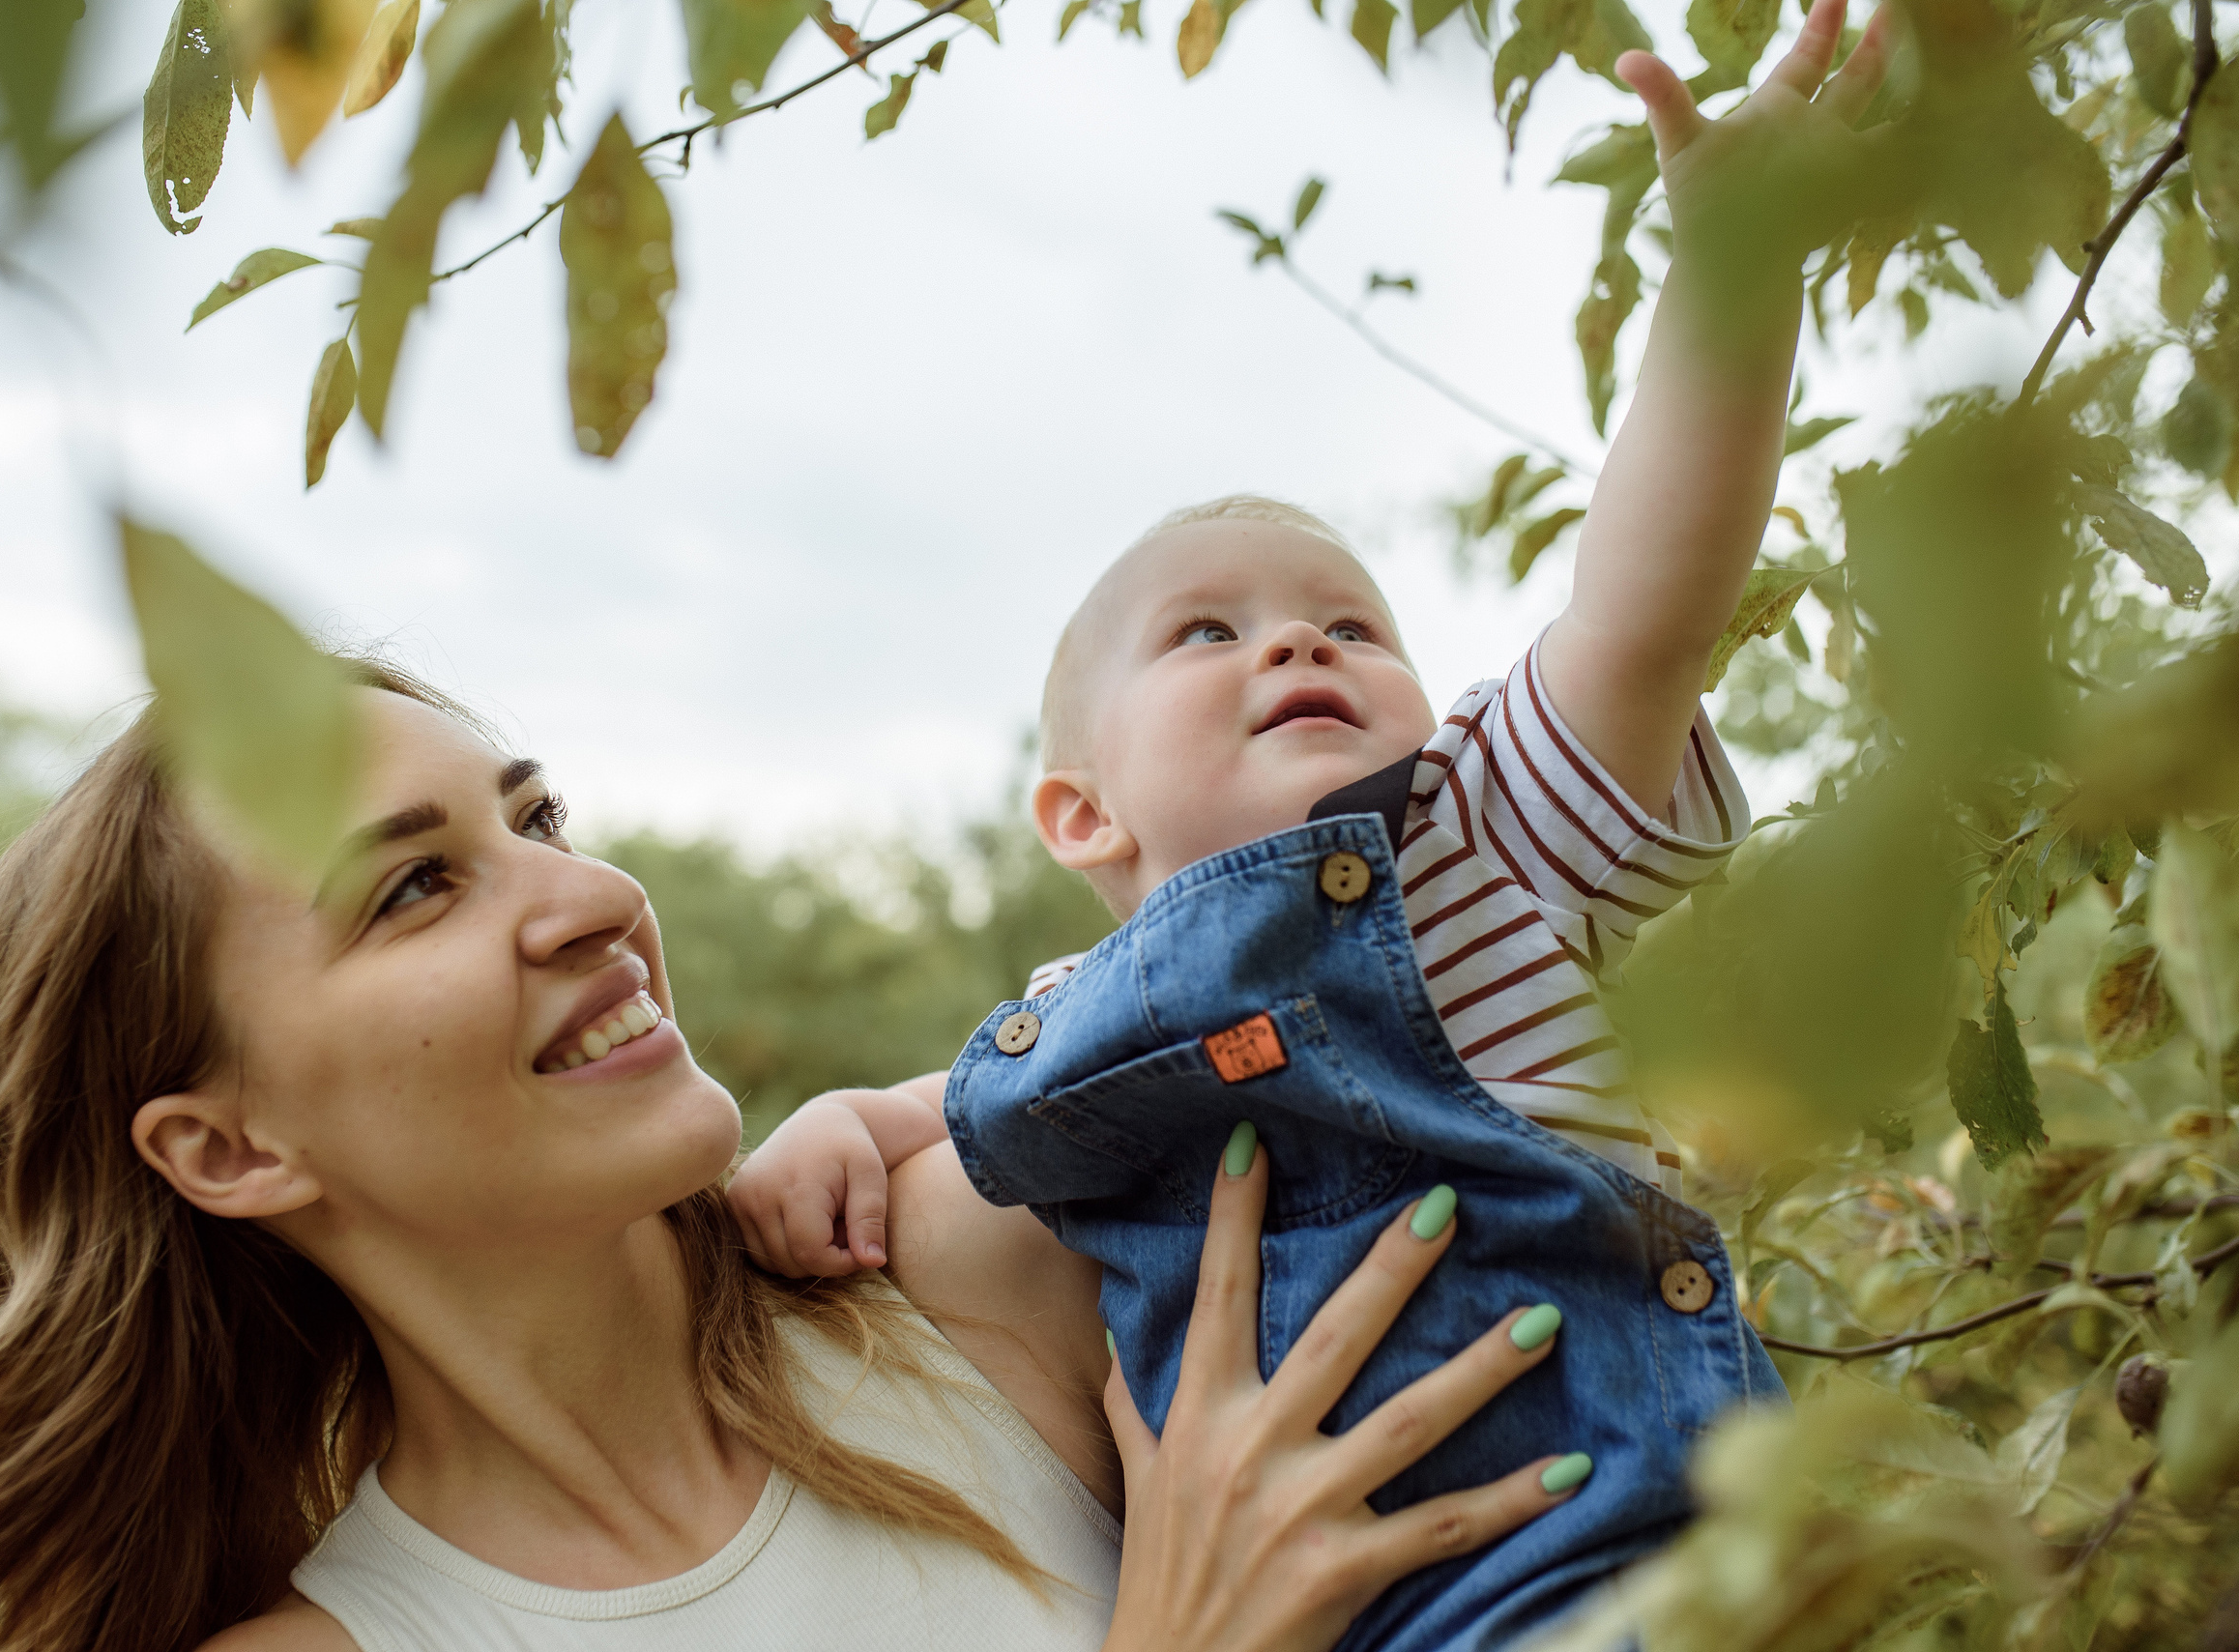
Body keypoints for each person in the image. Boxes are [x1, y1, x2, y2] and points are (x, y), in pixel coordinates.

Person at [727, 10, 1895, 1650]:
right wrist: (847, 1117)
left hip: (1644, 1548)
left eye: (1351, 623)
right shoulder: (1085, 1012)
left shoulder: (1482, 841)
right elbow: (965, 1102)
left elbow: (1644, 608)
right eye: (1207, 633)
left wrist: (1735, 282)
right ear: (1083, 811)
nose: (1296, 643)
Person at [0, 656, 1585, 1652]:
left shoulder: (983, 1270)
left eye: (537, 820)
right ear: (228, 1145)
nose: (597, 897)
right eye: (415, 885)